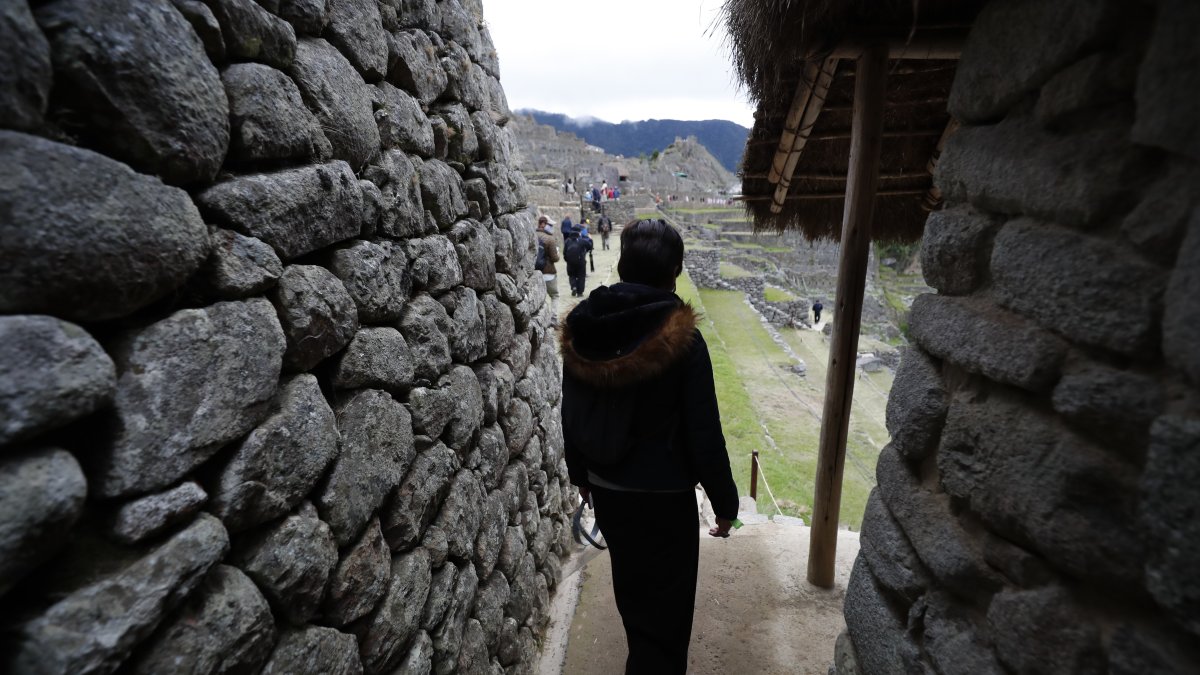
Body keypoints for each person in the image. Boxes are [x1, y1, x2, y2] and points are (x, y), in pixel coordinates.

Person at [560, 219, 738, 674]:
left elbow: (573, 412)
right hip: (664, 498)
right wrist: (725, 502)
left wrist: (580, 476)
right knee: (670, 611)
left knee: (634, 594)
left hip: (609, 490)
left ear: (620, 265)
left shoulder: (585, 329)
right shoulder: (682, 340)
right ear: (674, 271)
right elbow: (704, 430)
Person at [536, 216, 561, 319]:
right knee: (554, 295)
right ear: (542, 224)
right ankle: (554, 318)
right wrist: (558, 254)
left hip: (535, 273)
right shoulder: (550, 239)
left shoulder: (532, 235)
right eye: (549, 225)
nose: (551, 227)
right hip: (548, 272)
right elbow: (555, 258)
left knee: (539, 298)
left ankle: (541, 319)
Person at [562, 226, 592, 297]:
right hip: (581, 262)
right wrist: (590, 239)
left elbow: (564, 252)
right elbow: (590, 246)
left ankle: (574, 287)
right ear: (579, 233)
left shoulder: (567, 241)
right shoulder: (581, 240)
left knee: (571, 275)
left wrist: (567, 260)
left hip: (570, 262)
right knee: (581, 276)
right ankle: (580, 292)